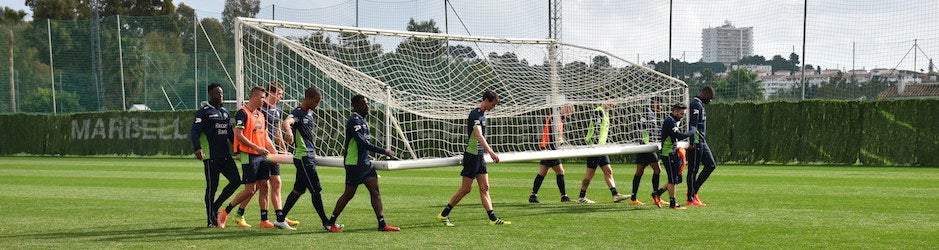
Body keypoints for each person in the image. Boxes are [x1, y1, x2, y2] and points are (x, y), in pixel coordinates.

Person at [217, 86, 291, 229]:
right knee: (250, 189)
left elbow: (265, 138)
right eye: (263, 97)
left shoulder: (260, 115)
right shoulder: (242, 113)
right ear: (254, 97)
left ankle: (264, 220)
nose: (264, 100)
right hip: (249, 155)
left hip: (262, 155)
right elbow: (238, 135)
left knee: (264, 186)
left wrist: (277, 153)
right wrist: (256, 147)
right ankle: (225, 211)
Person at [325, 94, 400, 233]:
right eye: (364, 104)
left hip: (365, 163)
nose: (367, 107)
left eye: (367, 104)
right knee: (348, 194)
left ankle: (382, 224)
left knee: (375, 191)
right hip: (354, 164)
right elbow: (362, 143)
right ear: (356, 106)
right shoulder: (354, 120)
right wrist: (384, 151)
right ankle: (331, 223)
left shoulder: (363, 121)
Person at [436, 89, 511, 226]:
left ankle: (493, 219)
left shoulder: (482, 115)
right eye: (493, 105)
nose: (493, 108)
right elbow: (478, 135)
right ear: (486, 101)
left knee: (485, 187)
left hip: (479, 156)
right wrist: (491, 152)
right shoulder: (475, 114)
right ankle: (443, 214)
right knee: (466, 189)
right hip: (472, 155)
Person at [280, 87, 336, 231]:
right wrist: (288, 131)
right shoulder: (298, 113)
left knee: (298, 190)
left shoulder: (309, 114)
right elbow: (287, 121)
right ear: (308, 99)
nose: (317, 104)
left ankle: (280, 219)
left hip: (308, 156)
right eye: (316, 101)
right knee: (316, 190)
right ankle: (326, 223)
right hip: (303, 158)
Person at [190, 83, 241, 228]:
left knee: (236, 181)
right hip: (211, 157)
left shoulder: (225, 112)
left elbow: (230, 134)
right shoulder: (203, 112)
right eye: (217, 93)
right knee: (212, 188)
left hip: (225, 155)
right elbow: (194, 131)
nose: (220, 96)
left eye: (221, 93)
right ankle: (210, 221)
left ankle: (216, 205)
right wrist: (197, 148)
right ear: (210, 95)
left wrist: (238, 148)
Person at [577, 97, 631, 204]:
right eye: (613, 101)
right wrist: (596, 147)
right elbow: (596, 130)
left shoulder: (605, 113)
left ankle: (615, 195)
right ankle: (581, 197)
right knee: (589, 174)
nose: (614, 105)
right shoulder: (598, 112)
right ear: (606, 100)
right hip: (595, 148)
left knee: (608, 171)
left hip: (601, 148)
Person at [651, 103, 696, 209]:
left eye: (684, 114)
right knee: (672, 180)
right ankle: (673, 203)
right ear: (675, 111)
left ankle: (657, 193)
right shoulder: (669, 121)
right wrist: (692, 131)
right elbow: (678, 136)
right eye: (681, 113)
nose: (683, 116)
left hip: (673, 152)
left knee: (677, 179)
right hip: (668, 154)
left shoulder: (674, 120)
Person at [529, 103, 574, 203]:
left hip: (547, 147)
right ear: (564, 109)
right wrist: (558, 140)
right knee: (560, 172)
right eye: (569, 111)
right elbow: (553, 134)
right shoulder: (555, 118)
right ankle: (564, 197)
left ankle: (533, 195)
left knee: (543, 172)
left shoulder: (558, 118)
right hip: (550, 148)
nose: (569, 114)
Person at [628, 96, 664, 206]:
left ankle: (633, 198)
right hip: (646, 146)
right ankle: (656, 197)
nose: (661, 106)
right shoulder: (648, 113)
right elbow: (641, 126)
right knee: (657, 170)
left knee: (639, 172)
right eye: (659, 103)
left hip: (643, 146)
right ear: (653, 103)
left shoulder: (648, 113)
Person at [686, 86, 716, 207]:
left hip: (702, 141)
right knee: (693, 170)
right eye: (710, 98)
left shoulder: (700, 105)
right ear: (705, 94)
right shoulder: (695, 104)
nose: (710, 100)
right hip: (696, 142)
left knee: (711, 164)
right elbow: (692, 124)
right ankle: (690, 198)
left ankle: (693, 192)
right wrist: (692, 142)